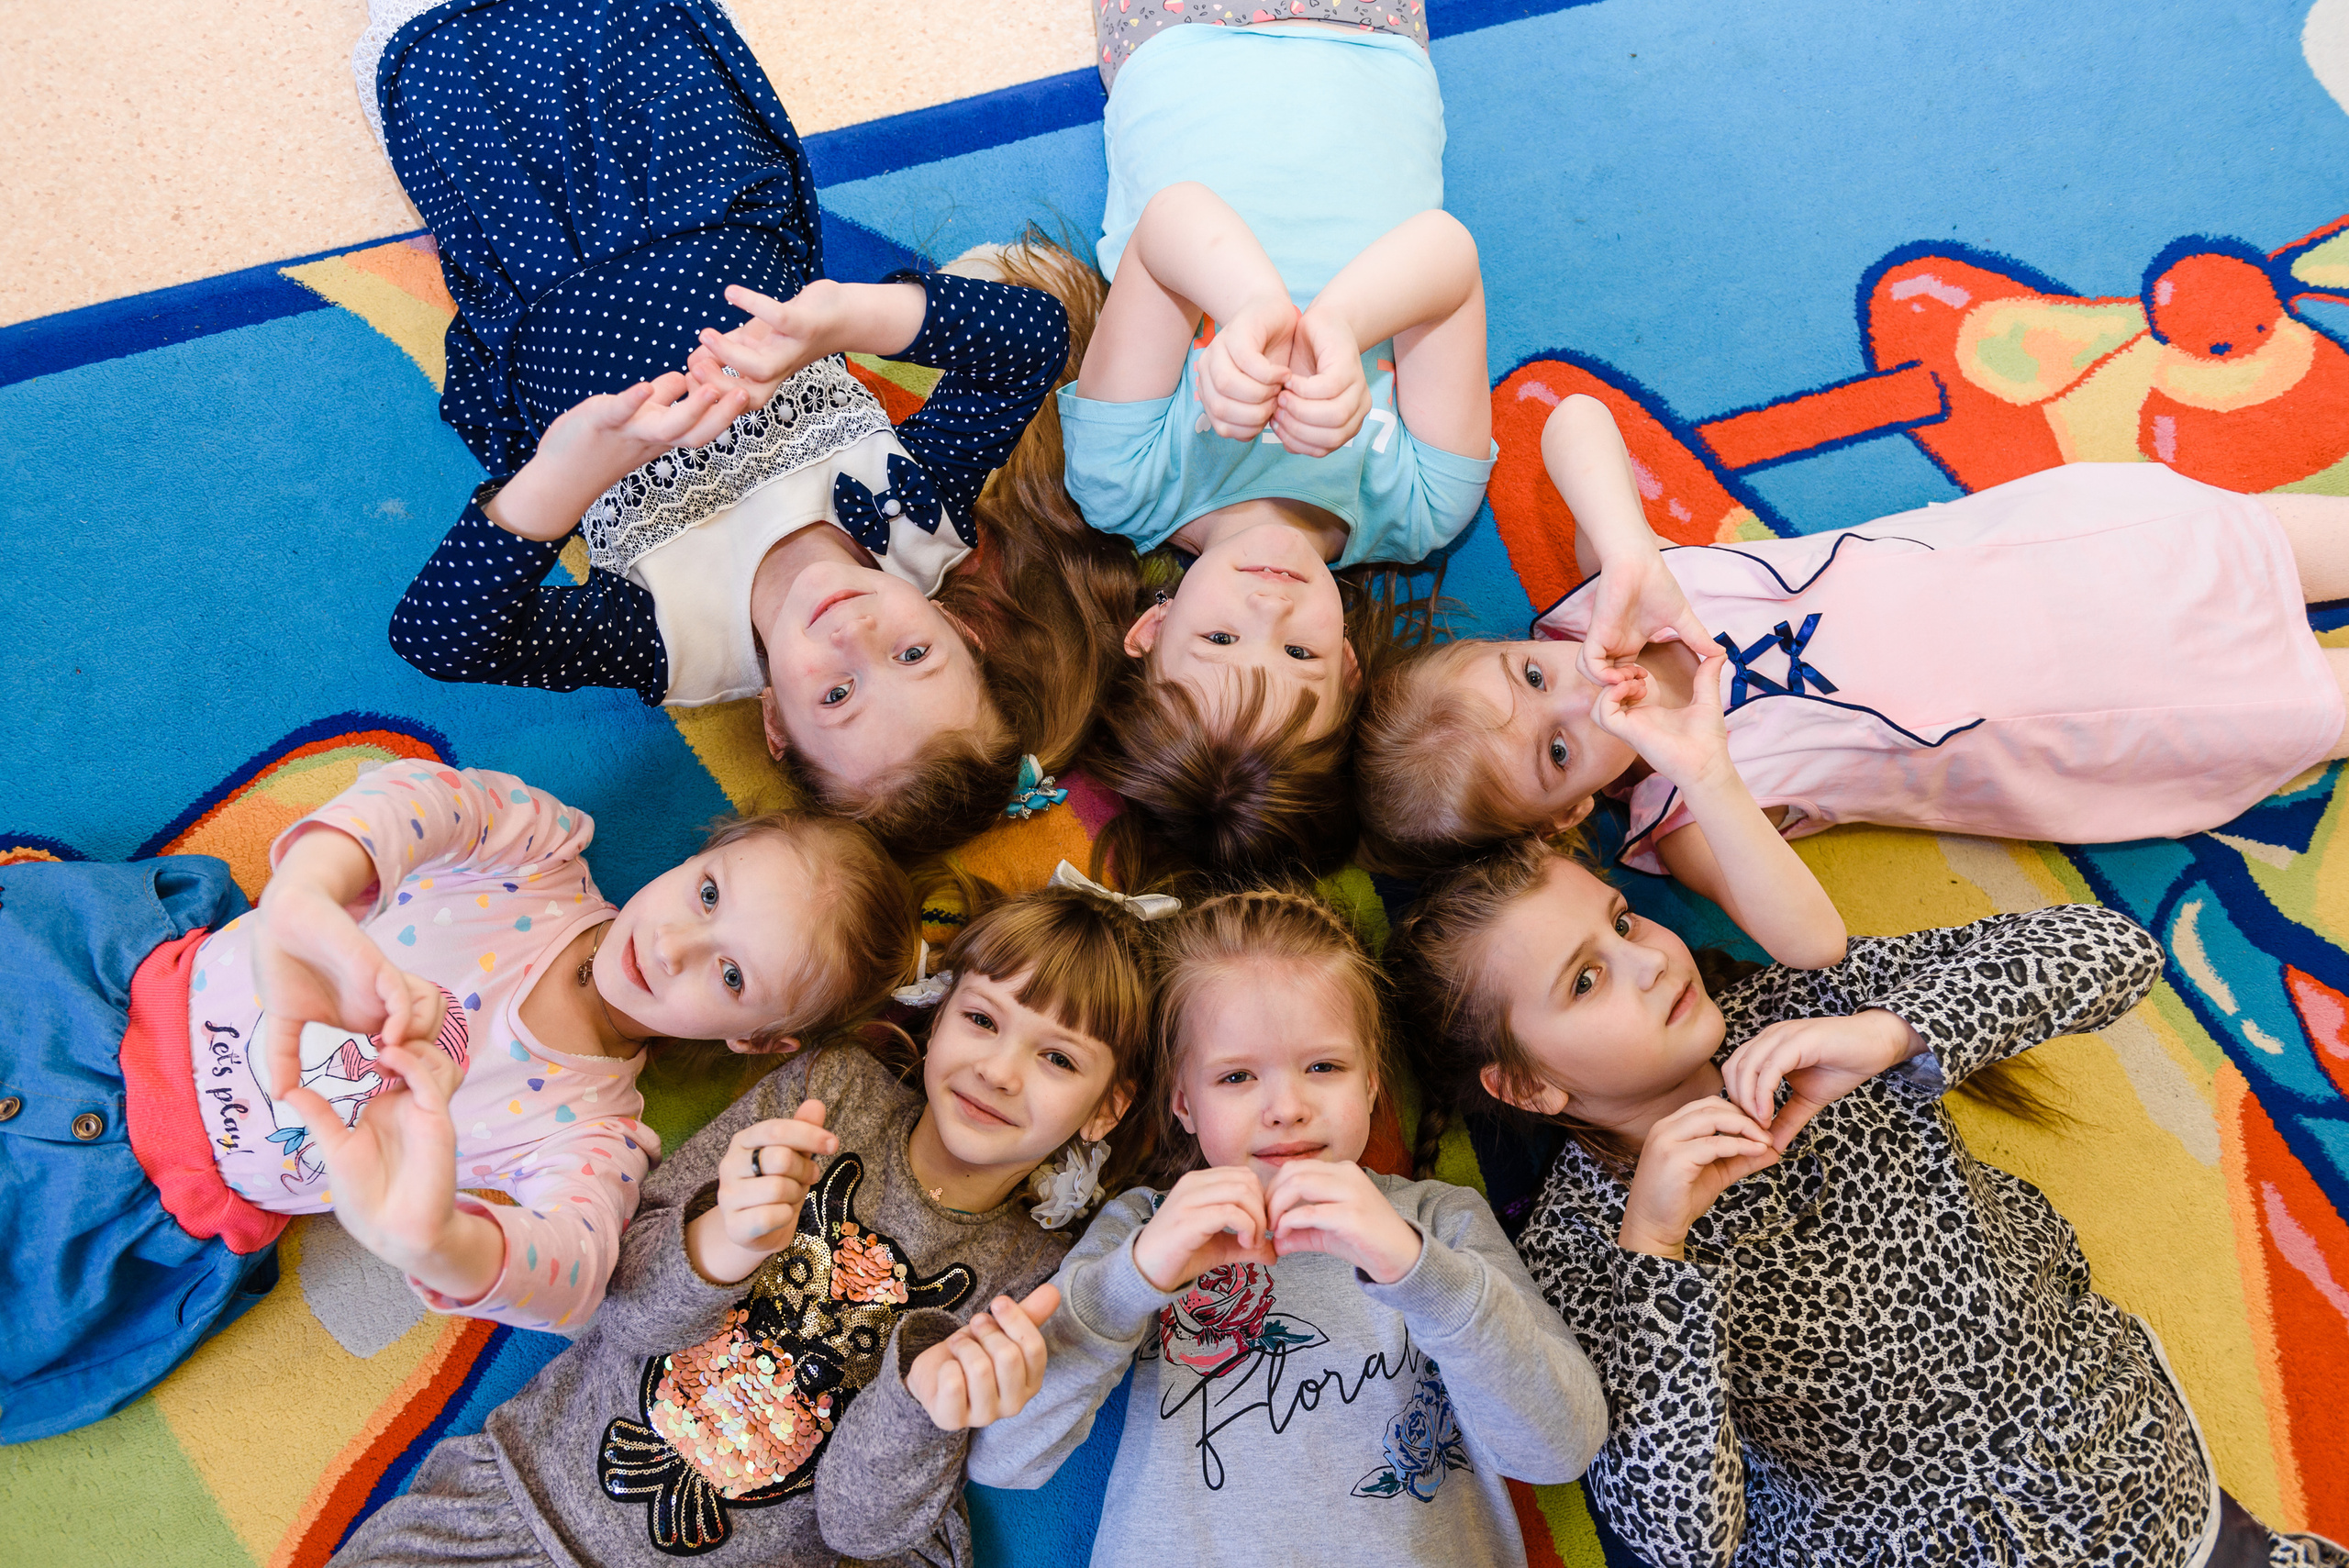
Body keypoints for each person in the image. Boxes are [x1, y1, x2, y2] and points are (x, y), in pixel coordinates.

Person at [1386, 838, 2349, 1567]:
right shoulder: (1580, 1249)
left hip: (2109, 1462)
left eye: (1625, 921)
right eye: (1586, 979)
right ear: (1528, 1085)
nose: (1649, 961)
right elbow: (1682, 1537)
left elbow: (2116, 948)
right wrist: (1656, 1250)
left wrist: (1893, 1031)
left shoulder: (1805, 1006)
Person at [359, 0, 1131, 856]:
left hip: (541, 250)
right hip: (704, 187)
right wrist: (843, 320)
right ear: (962, 630)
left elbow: (441, 636)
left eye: (836, 696)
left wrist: (564, 475)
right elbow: (1034, 342)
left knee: (436, 51)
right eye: (914, 655)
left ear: (775, 723)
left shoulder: (673, 646)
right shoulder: (921, 519)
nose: (855, 638)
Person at [0, 759, 915, 1443]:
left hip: (123, 1204)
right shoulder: (539, 854)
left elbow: (575, 1268)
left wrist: (435, 1239)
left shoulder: (595, 1132)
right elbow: (425, 799)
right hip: (93, 995)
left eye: (731, 973)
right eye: (708, 893)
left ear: (756, 1040)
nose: (674, 944)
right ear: (703, 852)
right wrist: (313, 886)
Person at [328, 874, 1163, 1566]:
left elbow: (861, 1530)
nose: (1000, 1071)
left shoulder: (1033, 1277)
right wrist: (721, 1240)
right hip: (516, 1506)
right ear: (940, 1013)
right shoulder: (834, 1090)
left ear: (1107, 1108)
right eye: (982, 1019)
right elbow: (617, 1304)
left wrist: (921, 1407)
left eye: (1058, 1058)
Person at [1357, 392, 2349, 876]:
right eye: (1558, 749)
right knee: (2307, 705)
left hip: (2071, 555)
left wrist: (1625, 550)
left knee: (2270, 540)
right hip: (2103, 713)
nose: (1583, 692)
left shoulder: (1613, 593)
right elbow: (1808, 944)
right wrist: (1707, 773)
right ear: (1566, 815)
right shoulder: (1682, 813)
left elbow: (1574, 418)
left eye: (1533, 675)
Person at [964, 889, 1604, 1568]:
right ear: (1184, 1102)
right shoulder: (1144, 1231)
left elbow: (1559, 1450)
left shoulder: (1440, 1222)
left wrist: (1417, 1272)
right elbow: (1005, 1457)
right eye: (1237, 1076)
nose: (1287, 1108)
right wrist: (1131, 1282)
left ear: (1371, 1083)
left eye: (1323, 1066)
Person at [1066, 5, 1498, 877]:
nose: (1267, 610)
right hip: (1371, 41)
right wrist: (1341, 323)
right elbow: (1449, 258)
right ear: (1349, 666)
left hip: (1185, 37)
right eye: (1300, 655)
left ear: (1151, 627)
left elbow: (1170, 223)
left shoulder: (1125, 483)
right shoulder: (1422, 507)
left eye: (1219, 641)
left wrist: (1254, 310)